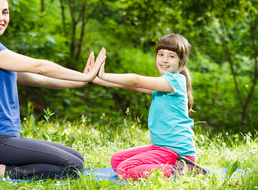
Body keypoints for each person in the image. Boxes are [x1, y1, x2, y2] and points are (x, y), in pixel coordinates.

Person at [0, 0, 106, 180]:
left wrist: (80, 81)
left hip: (6, 139)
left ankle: (0, 167)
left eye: (5, 12)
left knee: (76, 158)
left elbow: (37, 78)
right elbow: (39, 67)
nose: (1, 17)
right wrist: (85, 76)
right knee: (73, 167)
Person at [87, 33, 206, 180]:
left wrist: (104, 75)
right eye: (161, 54)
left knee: (125, 170)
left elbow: (136, 81)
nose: (164, 60)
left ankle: (182, 170)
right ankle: (175, 168)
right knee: (117, 160)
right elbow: (132, 86)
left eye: (171, 56)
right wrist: (96, 78)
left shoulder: (174, 81)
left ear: (182, 61)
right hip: (160, 147)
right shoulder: (164, 83)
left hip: (177, 152)